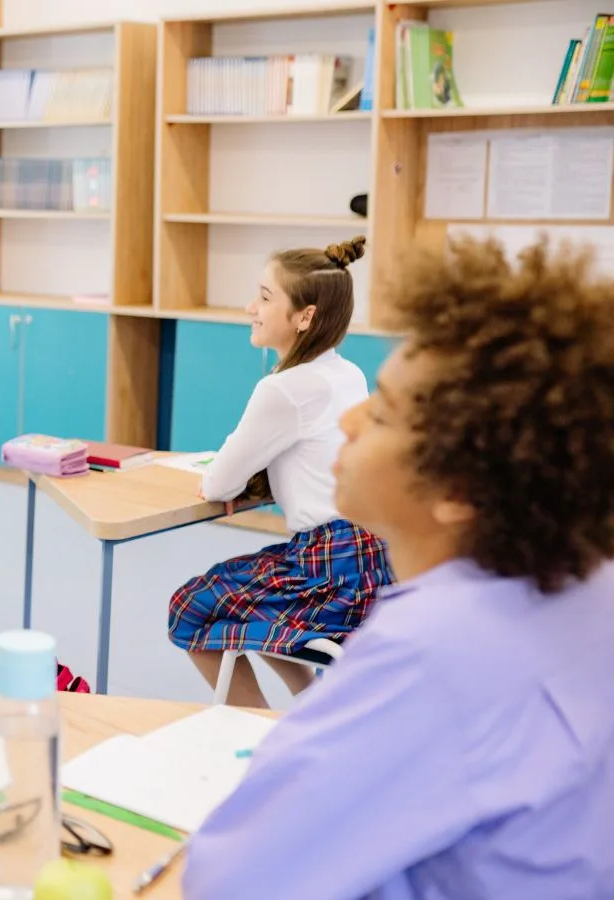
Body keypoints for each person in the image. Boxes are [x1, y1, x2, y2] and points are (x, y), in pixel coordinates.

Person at [184, 235, 614, 899]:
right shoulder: (587, 583)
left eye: (383, 412)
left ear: (458, 493)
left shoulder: (430, 647)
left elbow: (229, 879)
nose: (351, 420)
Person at [167, 236, 393, 709]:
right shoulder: (345, 372)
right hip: (373, 556)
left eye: (265, 298)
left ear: (305, 317)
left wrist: (233, 477)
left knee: (190, 607)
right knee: (257, 605)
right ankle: (308, 711)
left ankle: (256, 728)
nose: (252, 307)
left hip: (328, 569)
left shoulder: (284, 388)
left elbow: (218, 483)